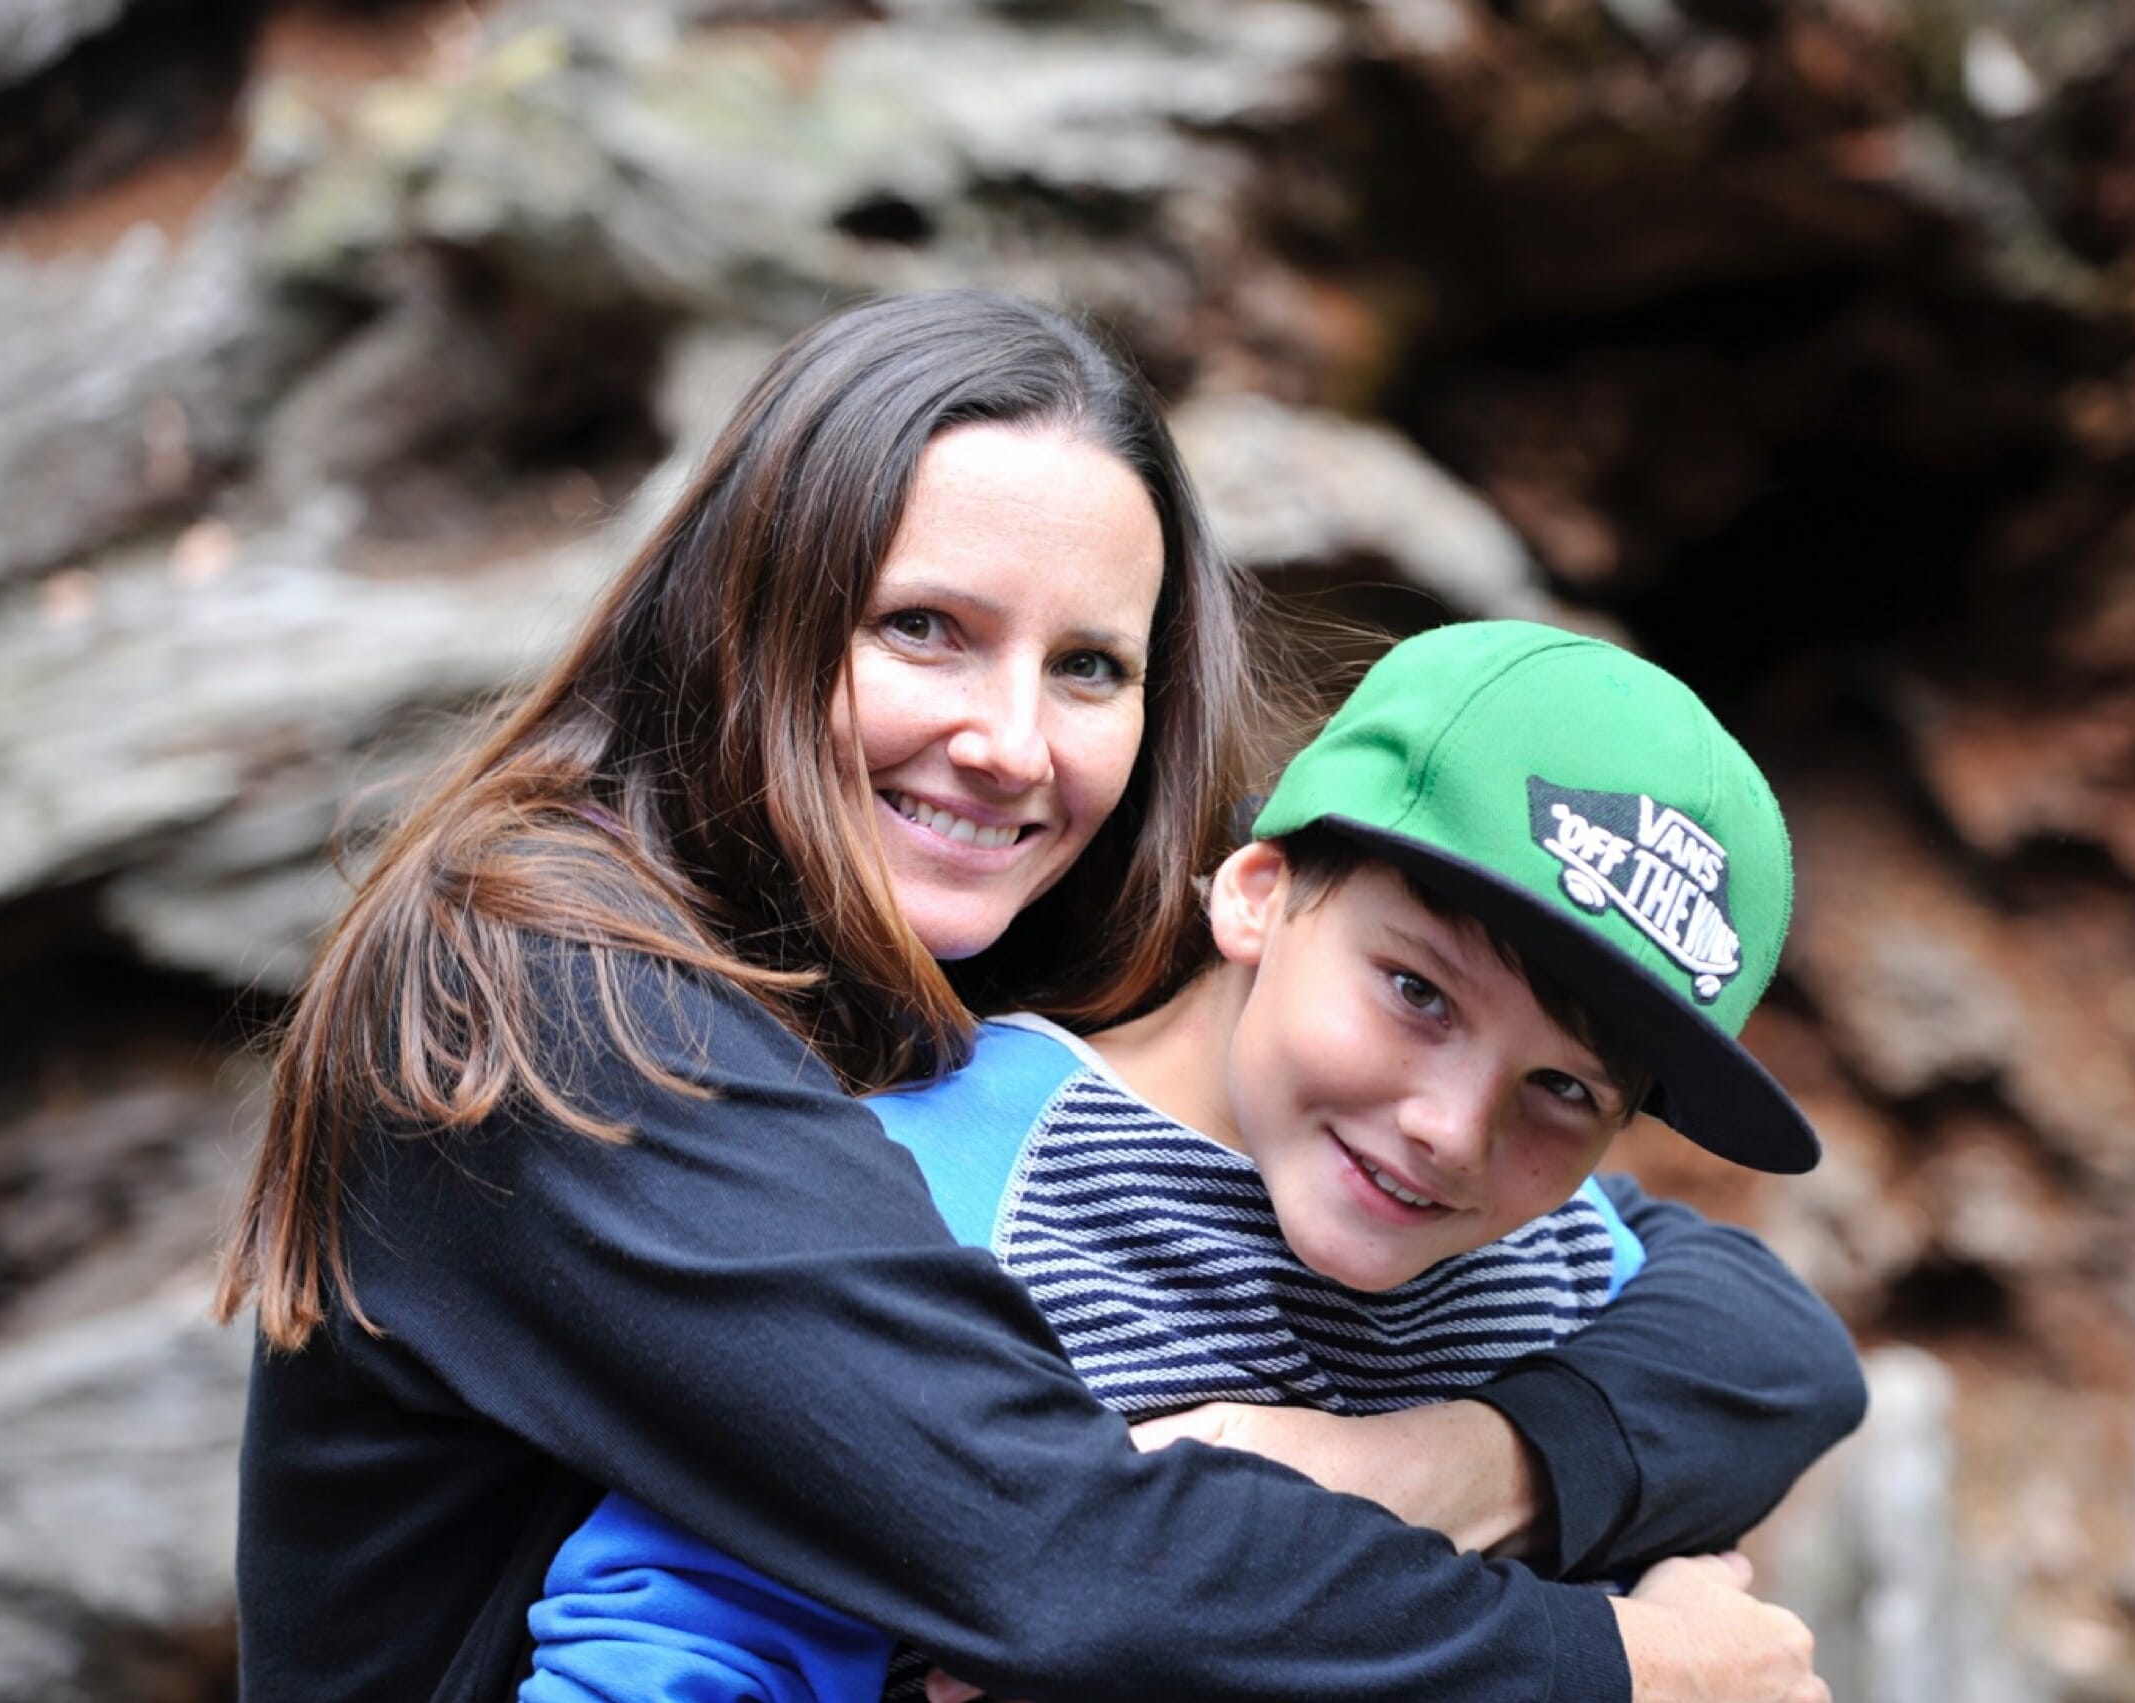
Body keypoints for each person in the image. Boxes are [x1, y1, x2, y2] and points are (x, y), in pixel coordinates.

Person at [215, 289, 1859, 1703]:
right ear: (755, 614)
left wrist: (1464, 1465)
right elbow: (1047, 1545)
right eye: (924, 629)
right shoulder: (546, 992)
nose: (1013, 743)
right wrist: (1625, 1670)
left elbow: (1756, 1330)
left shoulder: (1047, 960)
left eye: (1089, 667)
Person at [521, 619, 1856, 1703]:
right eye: (1418, 994)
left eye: (1564, 1088)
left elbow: (1783, 1360)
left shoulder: (1564, 1255)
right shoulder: (921, 1199)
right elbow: (680, 1648)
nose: (1454, 1127)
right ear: (1259, 892)